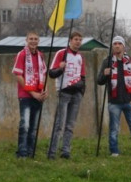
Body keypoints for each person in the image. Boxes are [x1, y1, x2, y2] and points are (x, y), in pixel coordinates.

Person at [47, 31, 86, 160]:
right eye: (76, 39)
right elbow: (51, 73)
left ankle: (66, 150)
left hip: (76, 94)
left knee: (70, 125)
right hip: (64, 92)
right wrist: (60, 68)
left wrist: (81, 91)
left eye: (80, 40)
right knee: (59, 124)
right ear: (70, 40)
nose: (78, 42)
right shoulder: (61, 53)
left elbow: (83, 76)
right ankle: (52, 152)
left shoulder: (80, 57)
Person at [11, 31, 48, 159]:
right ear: (26, 40)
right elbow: (18, 75)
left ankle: (31, 152)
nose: (33, 41)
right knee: (25, 125)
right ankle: (22, 153)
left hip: (39, 95)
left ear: (38, 41)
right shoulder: (21, 55)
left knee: (34, 127)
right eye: (31, 39)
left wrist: (45, 89)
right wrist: (32, 93)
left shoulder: (40, 55)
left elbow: (43, 74)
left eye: (35, 39)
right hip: (26, 95)